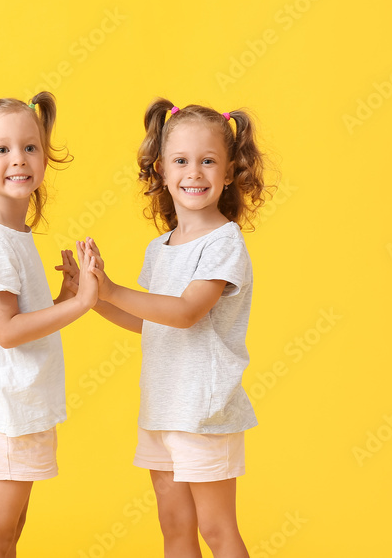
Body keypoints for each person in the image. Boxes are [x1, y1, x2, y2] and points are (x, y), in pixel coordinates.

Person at [79, 98, 270, 557]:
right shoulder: (159, 247)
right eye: (181, 161)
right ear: (161, 172)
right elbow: (149, 321)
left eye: (208, 161)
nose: (194, 173)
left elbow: (186, 312)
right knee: (175, 527)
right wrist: (90, 298)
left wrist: (112, 287)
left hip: (203, 412)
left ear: (228, 173)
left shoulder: (224, 243)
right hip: (162, 409)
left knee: (217, 530)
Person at [0, 81, 97, 558]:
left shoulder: (13, 234)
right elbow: (7, 333)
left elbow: (22, 319)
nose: (19, 159)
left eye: (30, 147)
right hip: (6, 409)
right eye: (3, 149)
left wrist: (63, 295)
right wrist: (80, 305)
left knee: (12, 529)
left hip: (22, 404)